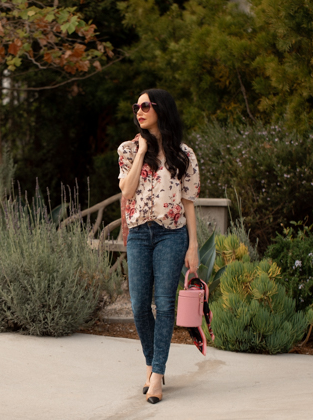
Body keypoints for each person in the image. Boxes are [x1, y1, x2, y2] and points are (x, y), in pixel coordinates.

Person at [117, 88, 200, 404]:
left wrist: (193, 246)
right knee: (139, 305)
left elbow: (189, 202)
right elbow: (127, 190)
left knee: (165, 305)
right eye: (136, 106)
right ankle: (153, 365)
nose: (139, 111)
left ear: (161, 109)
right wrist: (141, 152)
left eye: (145, 105)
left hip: (172, 235)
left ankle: (156, 377)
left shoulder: (184, 154)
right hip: (138, 234)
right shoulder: (127, 149)